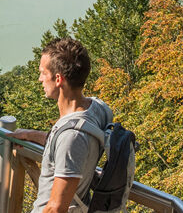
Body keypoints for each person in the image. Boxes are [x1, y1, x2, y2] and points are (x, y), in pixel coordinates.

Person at [12, 38, 113, 213]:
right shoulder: (98, 109)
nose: (39, 79)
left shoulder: (72, 137)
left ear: (58, 79)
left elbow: (56, 207)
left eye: (43, 73)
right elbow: (70, 147)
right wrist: (31, 135)